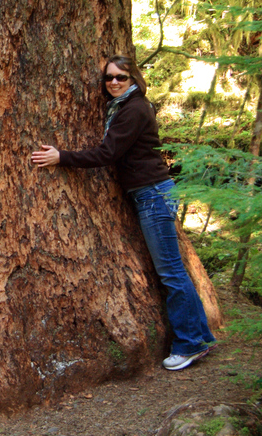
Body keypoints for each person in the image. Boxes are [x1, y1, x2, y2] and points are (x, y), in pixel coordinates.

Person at [31, 55, 216, 371]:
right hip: (152, 192)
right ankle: (199, 337)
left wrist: (62, 156)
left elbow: (109, 153)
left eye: (121, 77)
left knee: (171, 272)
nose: (114, 82)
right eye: (109, 78)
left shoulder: (134, 109)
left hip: (153, 194)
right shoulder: (125, 107)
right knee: (174, 270)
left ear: (134, 79)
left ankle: (190, 344)